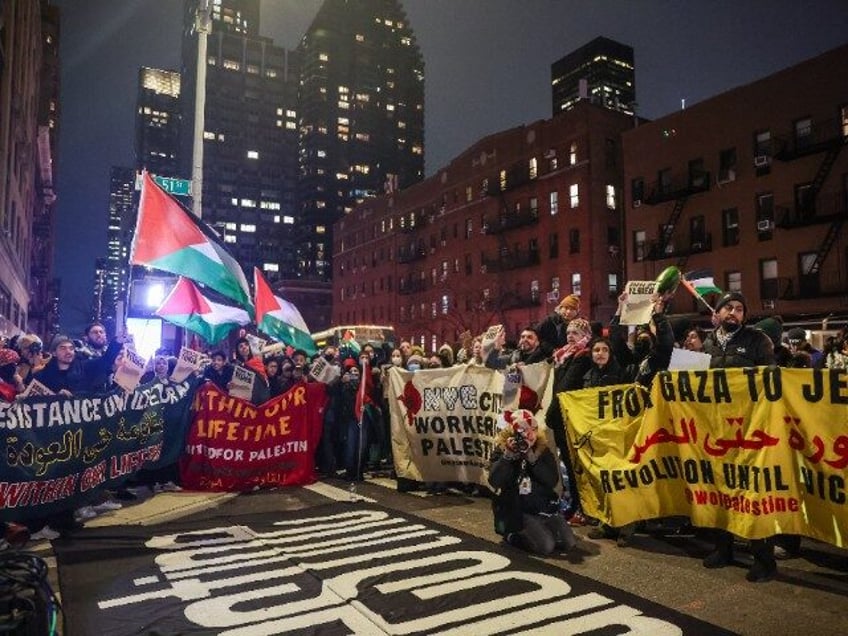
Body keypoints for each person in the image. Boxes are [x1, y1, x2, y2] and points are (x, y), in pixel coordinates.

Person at [701, 291, 777, 582]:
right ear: (718, 313)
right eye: (728, 308)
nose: (733, 313)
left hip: (750, 431)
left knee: (753, 492)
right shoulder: (706, 344)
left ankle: (764, 559)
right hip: (716, 431)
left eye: (739, 309)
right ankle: (724, 548)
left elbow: (771, 379)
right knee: (720, 490)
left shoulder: (757, 341)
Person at [488, 409, 576, 556]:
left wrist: (533, 459)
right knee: (546, 547)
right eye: (522, 431)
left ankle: (540, 529)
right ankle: (512, 535)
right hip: (518, 509)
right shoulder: (503, 448)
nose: (527, 436)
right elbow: (494, 481)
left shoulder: (542, 449)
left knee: (568, 543)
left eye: (531, 430)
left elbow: (552, 481)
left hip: (542, 507)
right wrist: (508, 457)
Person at [543, 318, 594, 526]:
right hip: (561, 418)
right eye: (569, 332)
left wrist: (550, 415)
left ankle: (583, 507)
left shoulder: (582, 356)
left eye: (575, 333)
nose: (570, 335)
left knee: (576, 466)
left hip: (571, 417)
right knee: (568, 464)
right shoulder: (563, 355)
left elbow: (564, 387)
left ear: (585, 336)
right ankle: (573, 504)